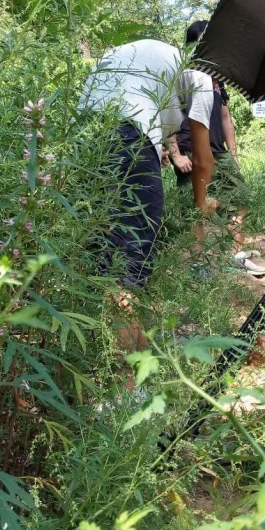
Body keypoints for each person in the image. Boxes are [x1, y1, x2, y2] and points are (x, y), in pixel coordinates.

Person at [80, 38, 221, 380]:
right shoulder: (201, 81)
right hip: (127, 137)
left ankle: (130, 364)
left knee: (102, 260)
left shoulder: (153, 63)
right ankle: (129, 390)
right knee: (125, 268)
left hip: (86, 137)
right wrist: (203, 204)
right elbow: (204, 160)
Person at [168, 20, 265, 277]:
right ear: (194, 44)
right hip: (190, 149)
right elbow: (167, 115)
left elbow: (225, 118)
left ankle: (237, 256)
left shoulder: (217, 80)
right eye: (204, 40)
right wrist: (175, 154)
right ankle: (198, 262)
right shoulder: (184, 76)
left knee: (240, 199)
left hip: (218, 150)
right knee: (194, 208)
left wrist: (233, 153)